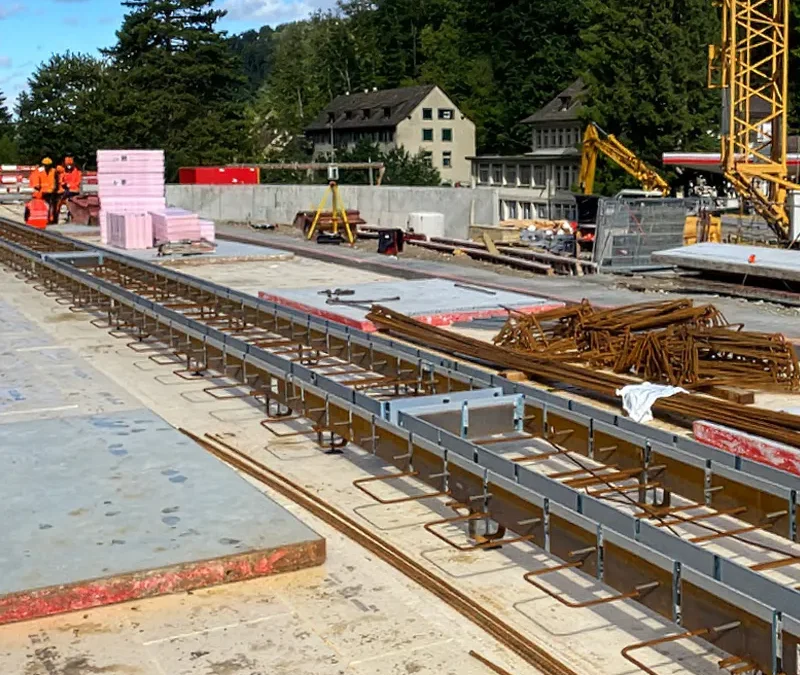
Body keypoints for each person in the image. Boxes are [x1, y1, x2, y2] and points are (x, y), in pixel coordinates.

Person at [29, 157, 60, 225]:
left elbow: (57, 181)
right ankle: (47, 219)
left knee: (53, 207)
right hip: (43, 192)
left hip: (52, 192)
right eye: (46, 165)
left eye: (48, 165)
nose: (47, 167)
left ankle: (53, 220)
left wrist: (55, 189)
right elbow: (36, 181)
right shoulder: (39, 171)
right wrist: (38, 188)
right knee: (46, 207)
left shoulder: (54, 171)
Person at [59, 156, 83, 223]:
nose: (68, 167)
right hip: (65, 190)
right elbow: (61, 181)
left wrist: (69, 185)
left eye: (69, 165)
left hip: (74, 191)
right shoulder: (63, 172)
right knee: (61, 202)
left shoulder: (77, 172)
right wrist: (64, 184)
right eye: (67, 165)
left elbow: (78, 182)